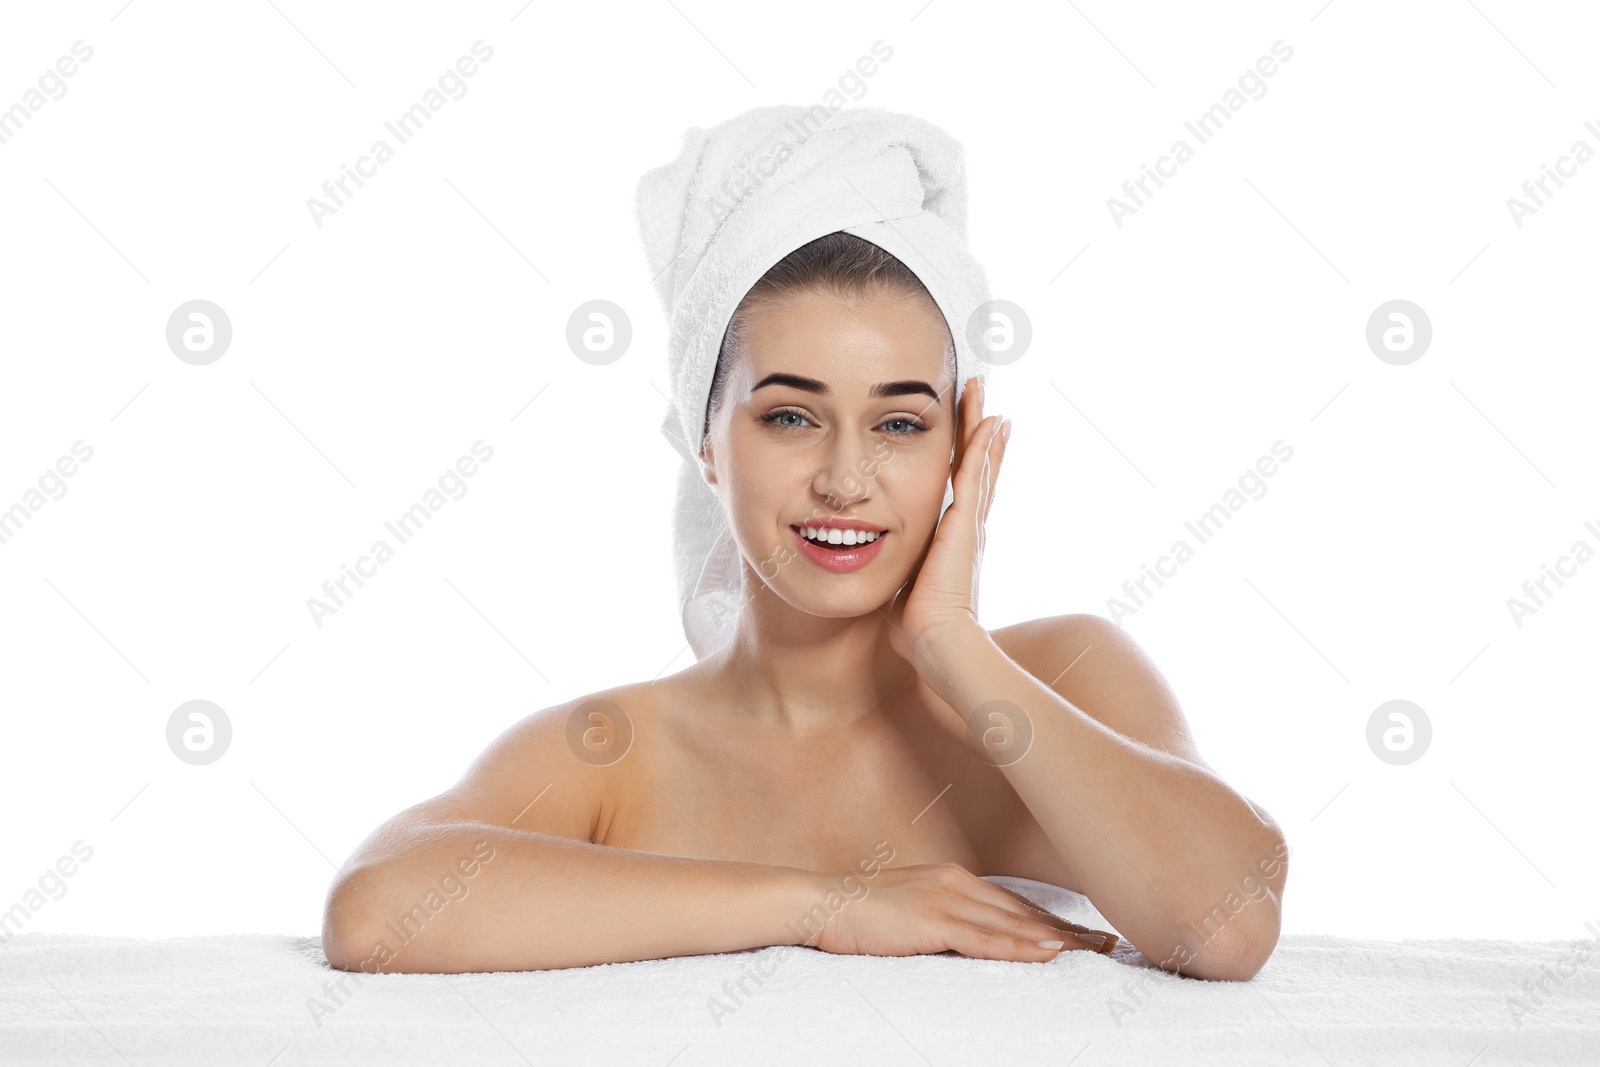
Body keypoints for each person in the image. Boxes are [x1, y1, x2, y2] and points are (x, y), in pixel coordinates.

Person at [320, 231, 1287, 981]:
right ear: (706, 442)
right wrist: (830, 904)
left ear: (960, 446)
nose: (845, 478)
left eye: (901, 423)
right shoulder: (617, 749)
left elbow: (1230, 918)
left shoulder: (1063, 675)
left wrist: (951, 640)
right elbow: (377, 909)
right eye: (790, 415)